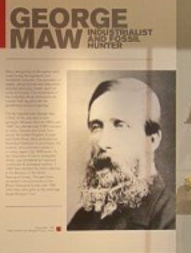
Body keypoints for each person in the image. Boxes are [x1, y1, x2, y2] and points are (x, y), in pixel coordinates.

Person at [66, 74, 172, 230]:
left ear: (152, 140)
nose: (103, 143)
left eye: (120, 125)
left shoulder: (169, 219)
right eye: (96, 126)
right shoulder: (82, 219)